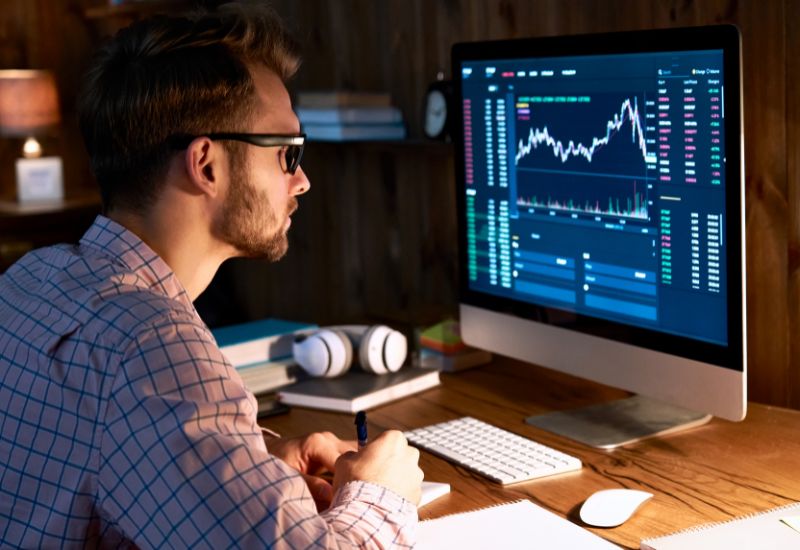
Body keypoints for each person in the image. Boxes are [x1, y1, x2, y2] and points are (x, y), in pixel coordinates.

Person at [0, 3, 423, 547]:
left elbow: (107, 444)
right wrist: (381, 493)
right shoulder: (152, 348)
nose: (303, 182)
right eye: (287, 154)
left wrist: (250, 458)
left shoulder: (30, 279)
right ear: (207, 164)